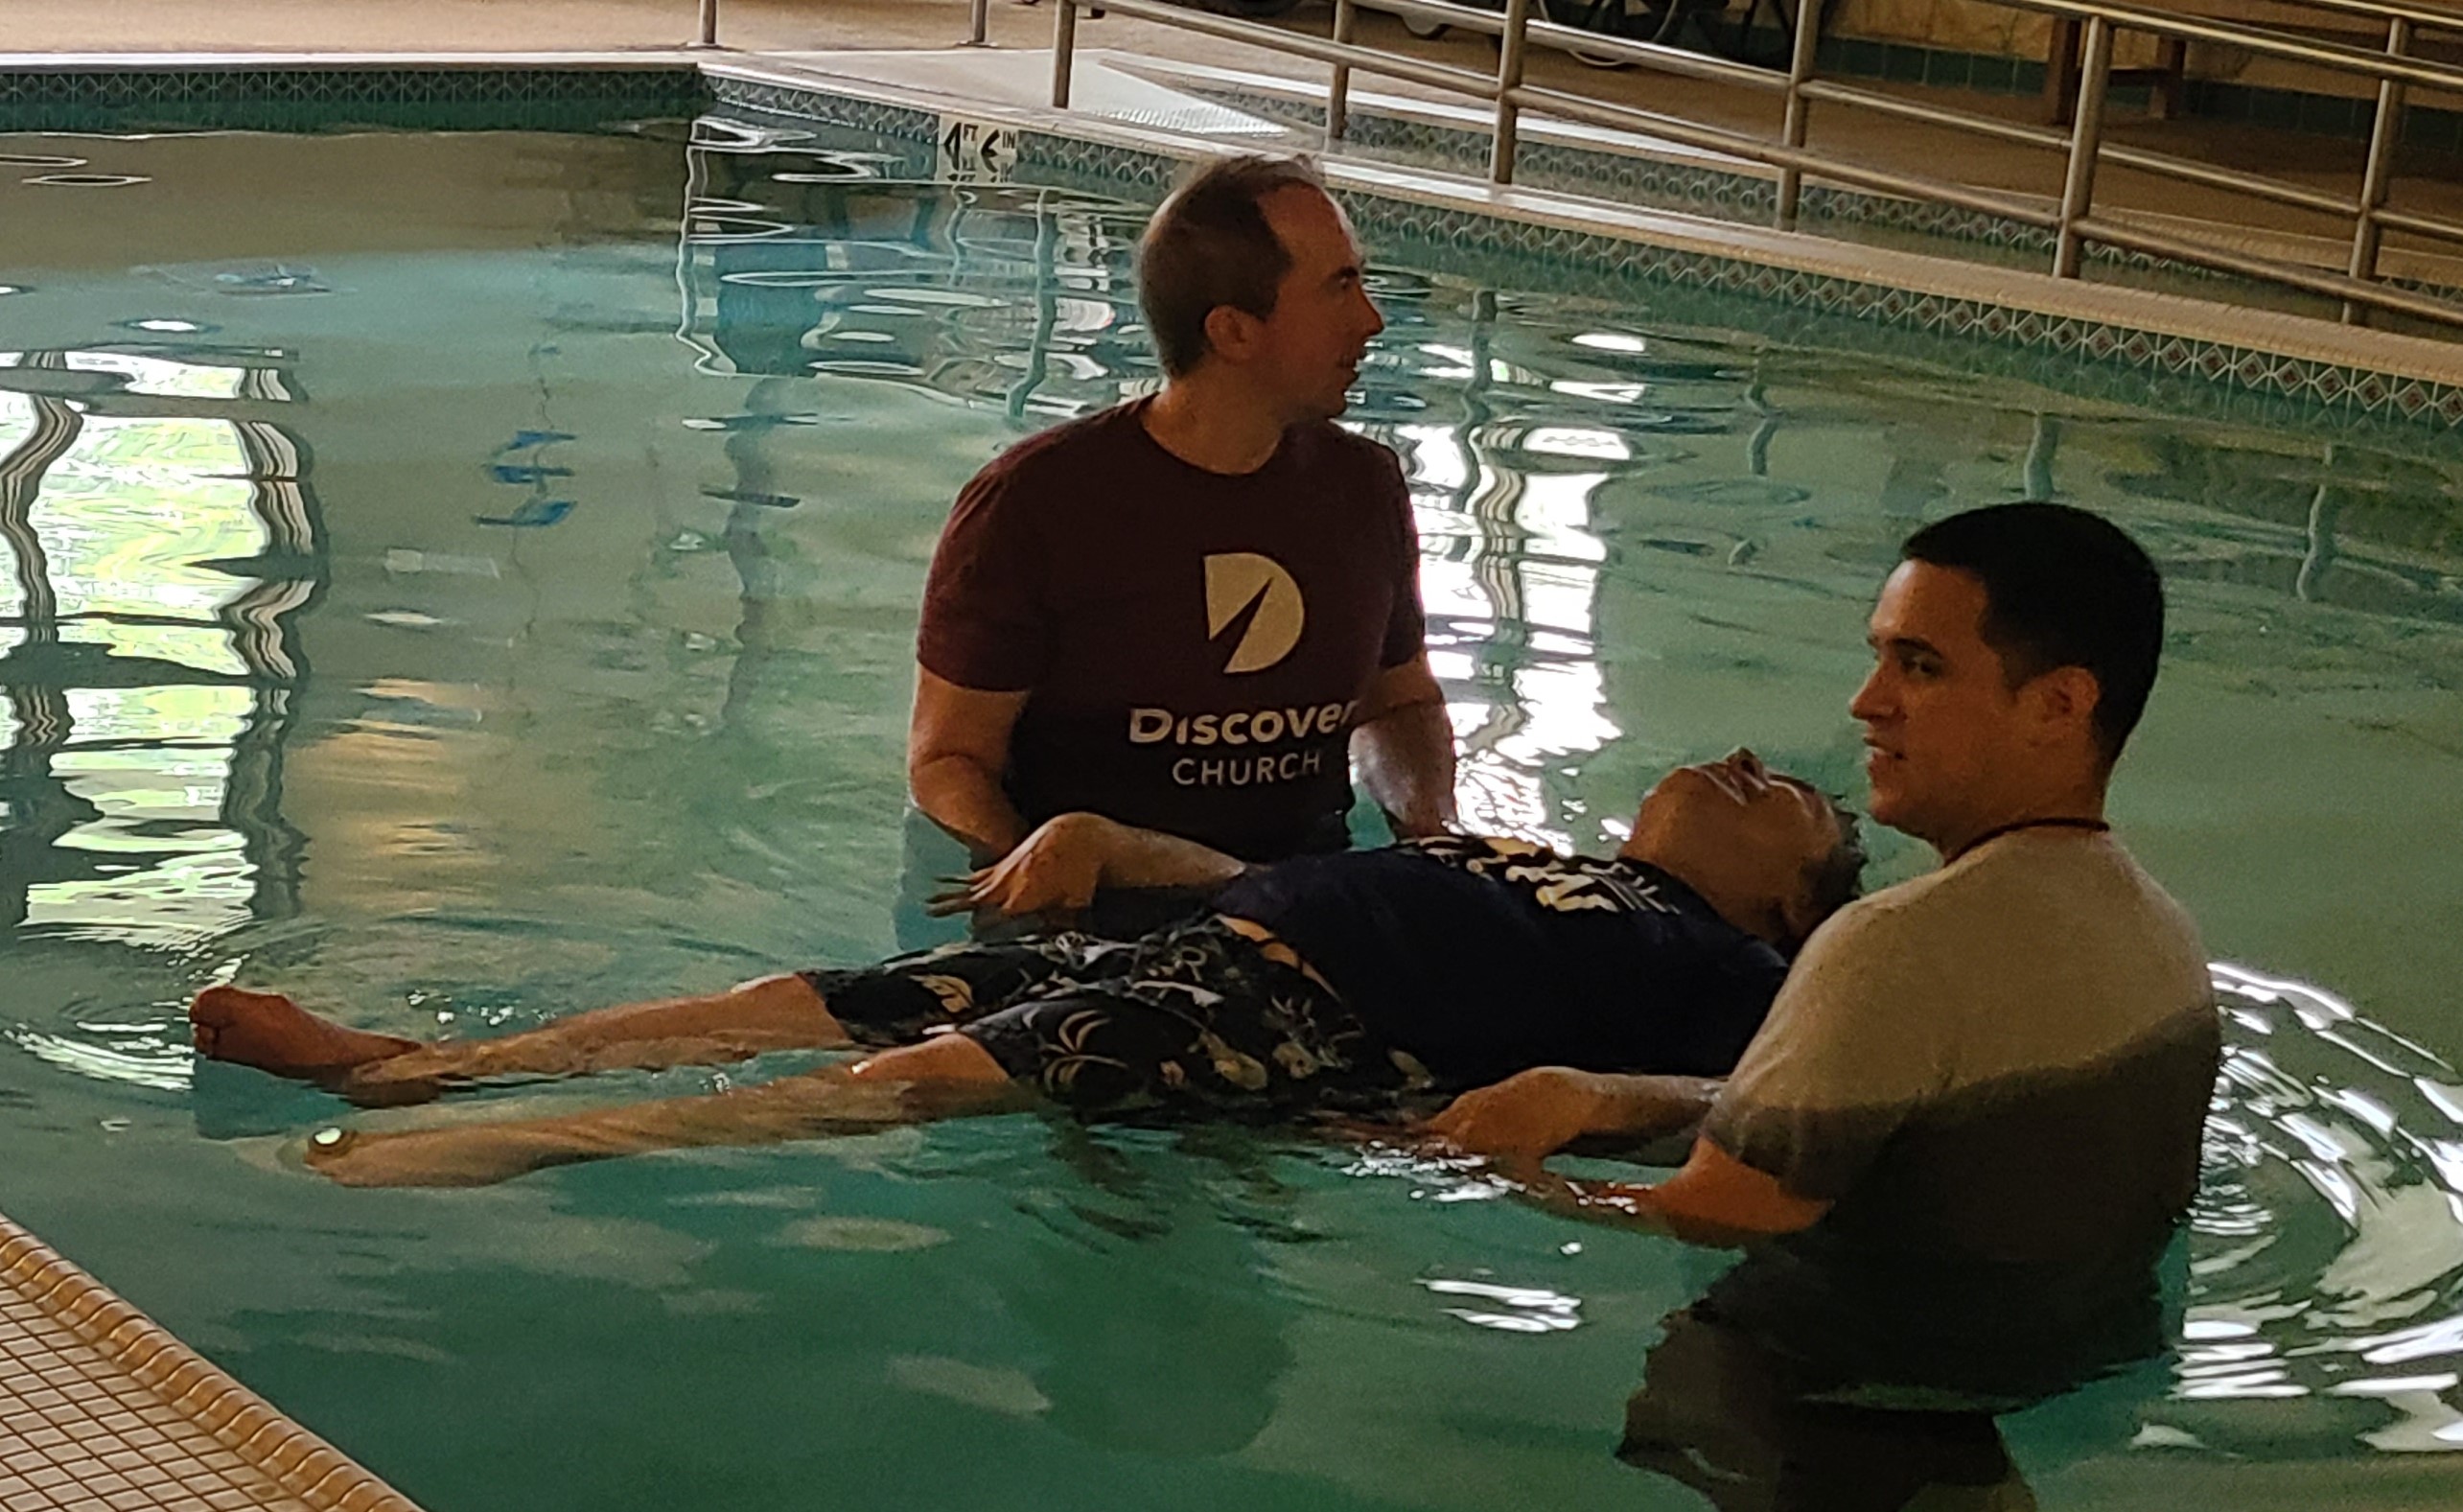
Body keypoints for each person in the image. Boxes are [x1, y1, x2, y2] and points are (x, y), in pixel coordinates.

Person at [188, 750, 1862, 1187]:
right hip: (1205, 943)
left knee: (901, 1085)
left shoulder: (1725, 968)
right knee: (797, 1001)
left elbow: (1774, 1096)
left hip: (1301, 1020)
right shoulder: (1542, 861)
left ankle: (481, 1149)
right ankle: (408, 1063)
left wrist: (1593, 1099)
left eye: (1780, 792)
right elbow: (1313, 878)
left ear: (1791, 903)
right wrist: (1122, 845)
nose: (1737, 759)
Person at [1429, 501, 2219, 1413]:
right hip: (2070, 1366)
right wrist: (1597, 1096)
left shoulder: (1898, 944)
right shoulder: (2162, 934)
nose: (1866, 700)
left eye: (1918, 666)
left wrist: (1504, 1181)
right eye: (1879, 655)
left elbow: (1719, 1209)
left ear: (2057, 704)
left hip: (1829, 1400)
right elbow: (1877, 1121)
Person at [906, 153, 1456, 919]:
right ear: (1233, 331)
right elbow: (948, 759)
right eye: (1338, 287)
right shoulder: (1037, 503)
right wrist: (1032, 882)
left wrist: (1432, 835)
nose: (1371, 319)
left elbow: (1398, 704)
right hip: (1102, 907)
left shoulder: (1362, 486)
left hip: (1306, 897)